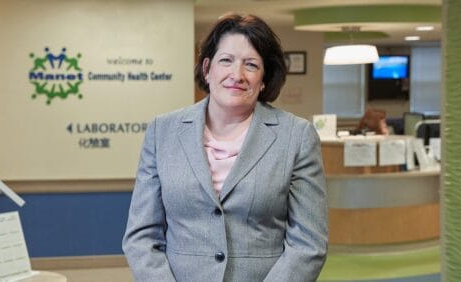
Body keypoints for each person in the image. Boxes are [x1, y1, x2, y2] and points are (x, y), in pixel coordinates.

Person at [123, 13, 328, 282]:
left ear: (264, 77)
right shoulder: (163, 131)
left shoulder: (296, 136)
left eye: (251, 65)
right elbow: (141, 236)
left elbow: (308, 243)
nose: (237, 74)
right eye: (226, 60)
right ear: (207, 69)